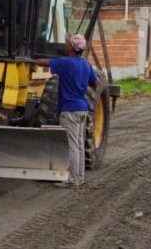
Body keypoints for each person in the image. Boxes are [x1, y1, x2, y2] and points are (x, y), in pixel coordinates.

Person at [35, 34, 97, 187]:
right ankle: (79, 178)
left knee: (73, 145)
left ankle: (73, 180)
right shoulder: (86, 64)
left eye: (67, 43)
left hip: (69, 110)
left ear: (70, 47)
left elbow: (46, 62)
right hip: (82, 108)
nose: (66, 44)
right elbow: (94, 82)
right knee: (80, 144)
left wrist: (31, 60)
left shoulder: (65, 63)